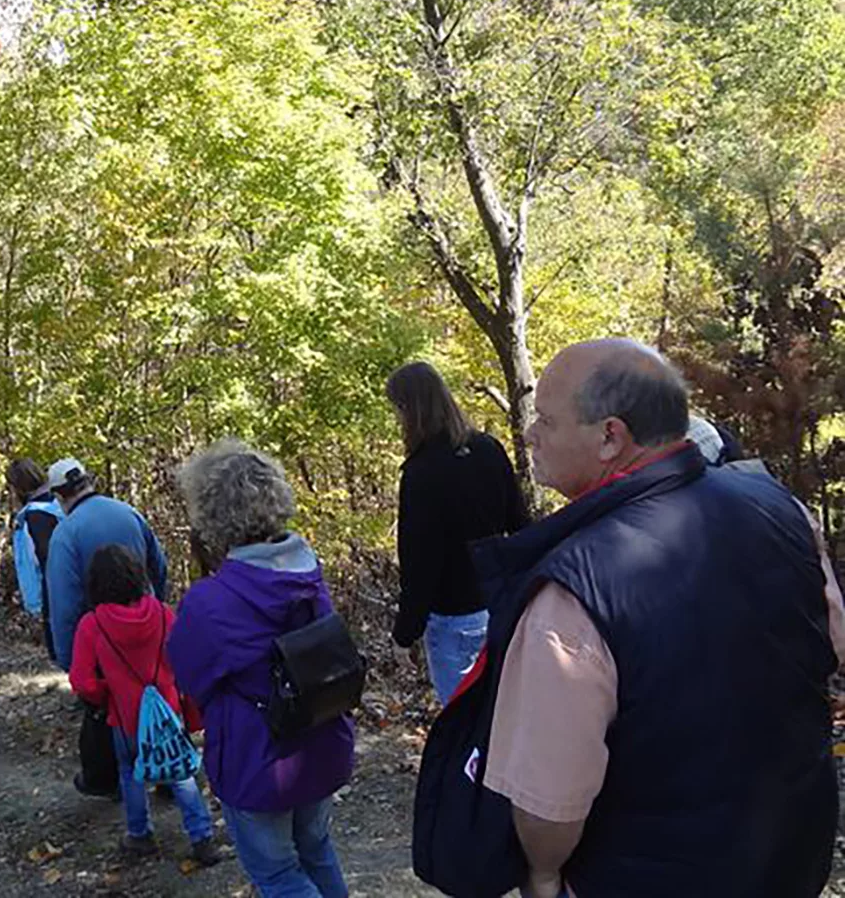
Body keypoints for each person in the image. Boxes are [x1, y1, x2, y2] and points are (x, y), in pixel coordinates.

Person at [448, 339, 845, 898]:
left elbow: (548, 803)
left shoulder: (572, 591)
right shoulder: (779, 507)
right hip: (791, 850)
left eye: (545, 420)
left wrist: (541, 874)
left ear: (610, 436)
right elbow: (831, 643)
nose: (530, 434)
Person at [167, 440, 354, 898]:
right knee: (317, 851)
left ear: (210, 515)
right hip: (322, 742)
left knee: (277, 875)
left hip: (258, 760)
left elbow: (190, 678)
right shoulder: (308, 572)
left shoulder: (209, 602)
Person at [69, 545, 224, 866]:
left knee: (130, 773)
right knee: (182, 772)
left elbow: (82, 681)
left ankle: (140, 835)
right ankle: (201, 838)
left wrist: (105, 693)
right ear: (137, 575)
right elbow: (186, 660)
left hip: (126, 716)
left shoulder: (92, 624)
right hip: (168, 712)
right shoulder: (164, 613)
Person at [385, 362, 528, 705]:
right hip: (498, 607)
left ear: (409, 409)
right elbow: (521, 525)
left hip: (453, 619)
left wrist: (405, 634)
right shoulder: (488, 449)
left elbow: (420, 563)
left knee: (462, 726)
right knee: (497, 716)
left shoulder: (421, 472)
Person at [43, 457, 169, 799]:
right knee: (158, 697)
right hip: (148, 628)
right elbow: (160, 565)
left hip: (105, 640)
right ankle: (171, 771)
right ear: (87, 481)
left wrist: (70, 660)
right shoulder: (128, 513)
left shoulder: (66, 534)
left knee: (107, 713)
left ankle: (107, 780)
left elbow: (64, 604)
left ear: (59, 495)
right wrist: (158, 611)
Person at [6, 459, 65, 661]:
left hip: (55, 594)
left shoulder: (36, 517)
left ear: (17, 488)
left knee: (64, 654)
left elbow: (45, 559)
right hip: (69, 588)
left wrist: (40, 601)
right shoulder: (59, 506)